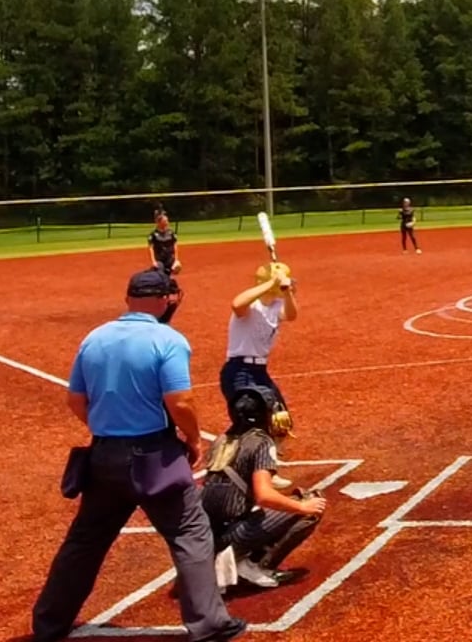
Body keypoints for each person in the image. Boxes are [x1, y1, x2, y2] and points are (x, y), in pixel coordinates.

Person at [31, 269, 247, 642]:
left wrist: (107, 428)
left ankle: (49, 623)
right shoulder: (168, 339)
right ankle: (209, 624)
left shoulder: (94, 338)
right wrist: (193, 438)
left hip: (103, 456)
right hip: (154, 456)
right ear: (164, 300)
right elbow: (180, 400)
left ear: (128, 298)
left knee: (85, 540)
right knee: (190, 532)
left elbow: (76, 400)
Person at [201, 386, 327, 589]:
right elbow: (265, 496)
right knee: (311, 503)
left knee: (262, 505)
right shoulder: (260, 442)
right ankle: (254, 564)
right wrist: (303, 507)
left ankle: (227, 558)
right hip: (231, 535)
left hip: (204, 536)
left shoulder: (221, 440)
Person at [221, 262, 298, 423]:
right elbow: (237, 304)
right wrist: (273, 282)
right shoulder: (252, 305)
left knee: (280, 420)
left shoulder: (277, 306)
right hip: (239, 370)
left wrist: (288, 293)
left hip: (259, 371)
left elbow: (291, 315)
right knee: (250, 421)